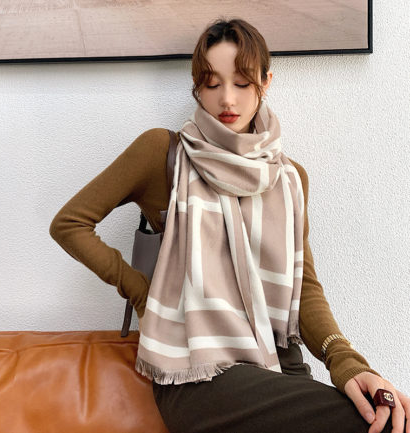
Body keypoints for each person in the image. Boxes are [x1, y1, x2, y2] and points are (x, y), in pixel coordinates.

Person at [50, 17, 408, 433]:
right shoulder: (163, 154)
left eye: (242, 82)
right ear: (196, 87)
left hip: (280, 364)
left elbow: (305, 288)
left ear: (266, 82)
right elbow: (70, 223)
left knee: (385, 418)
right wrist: (145, 295)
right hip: (199, 372)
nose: (227, 99)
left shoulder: (289, 179)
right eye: (212, 83)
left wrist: (346, 362)